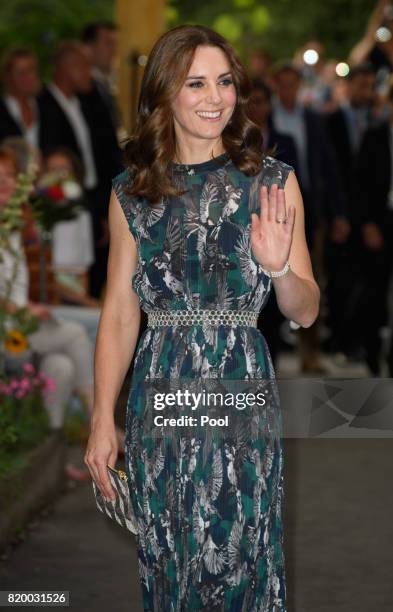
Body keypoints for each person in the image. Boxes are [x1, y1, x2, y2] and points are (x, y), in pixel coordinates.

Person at [84, 25, 319, 610]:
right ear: (165, 94)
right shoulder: (131, 194)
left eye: (224, 82)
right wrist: (100, 417)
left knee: (238, 552)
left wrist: (279, 267)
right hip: (159, 395)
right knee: (170, 557)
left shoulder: (273, 183)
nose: (215, 97)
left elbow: (306, 311)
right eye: (196, 83)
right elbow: (118, 313)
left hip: (240, 387)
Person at [0, 47, 41, 147]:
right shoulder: (2, 112)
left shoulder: (46, 107)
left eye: (31, 70)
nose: (28, 77)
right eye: (21, 72)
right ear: (7, 77)